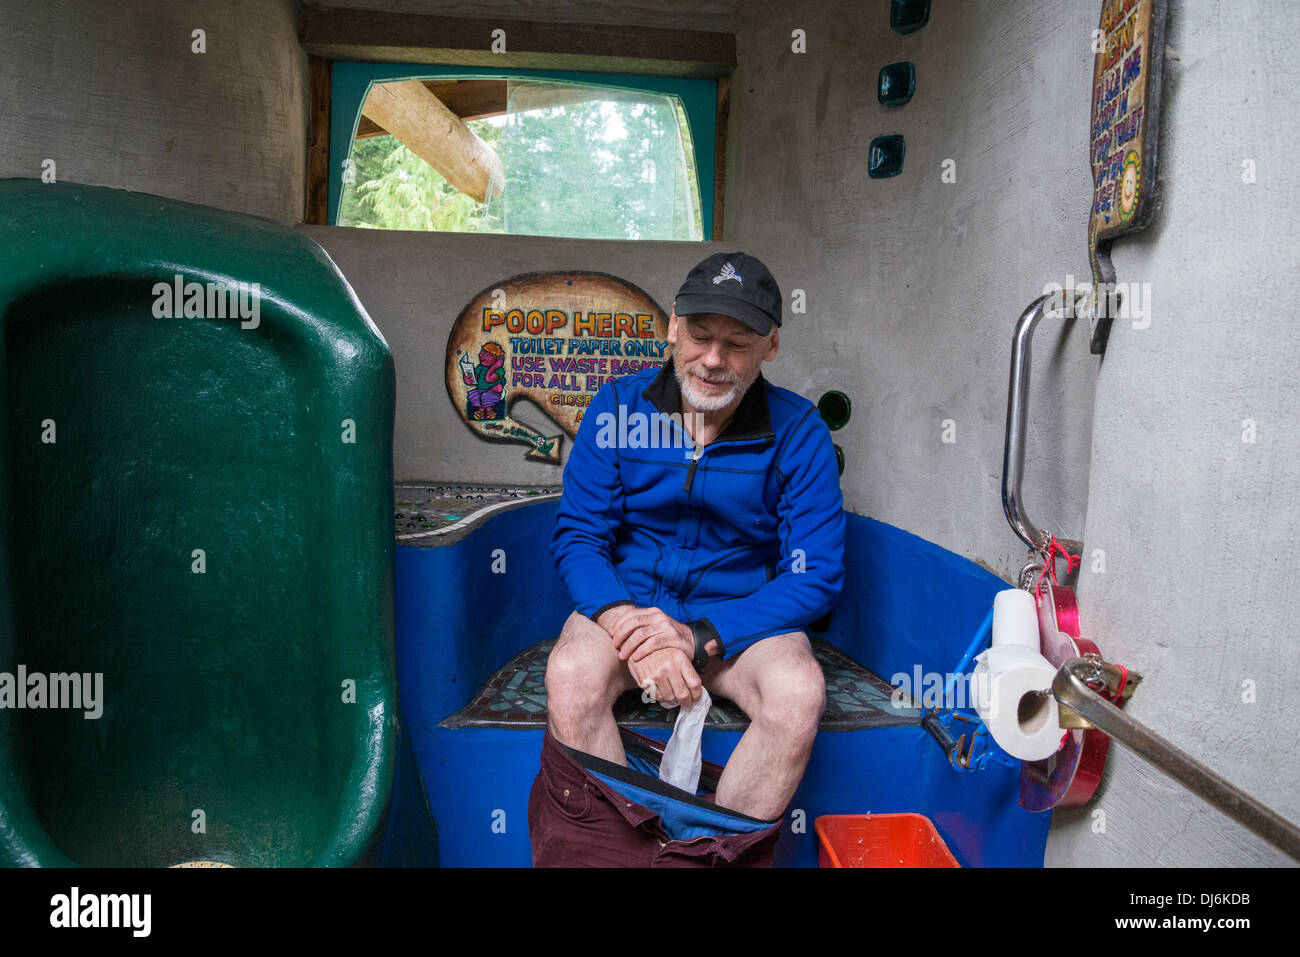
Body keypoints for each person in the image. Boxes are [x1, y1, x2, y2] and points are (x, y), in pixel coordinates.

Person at [531, 251, 845, 864]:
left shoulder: (800, 431)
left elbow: (816, 574)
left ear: (771, 345)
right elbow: (579, 538)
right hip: (628, 611)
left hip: (738, 624)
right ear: (673, 327)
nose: (714, 359)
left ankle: (711, 857)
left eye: (738, 344)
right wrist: (626, 622)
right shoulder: (617, 409)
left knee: (798, 693)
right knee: (570, 674)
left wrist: (700, 635)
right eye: (700, 336)